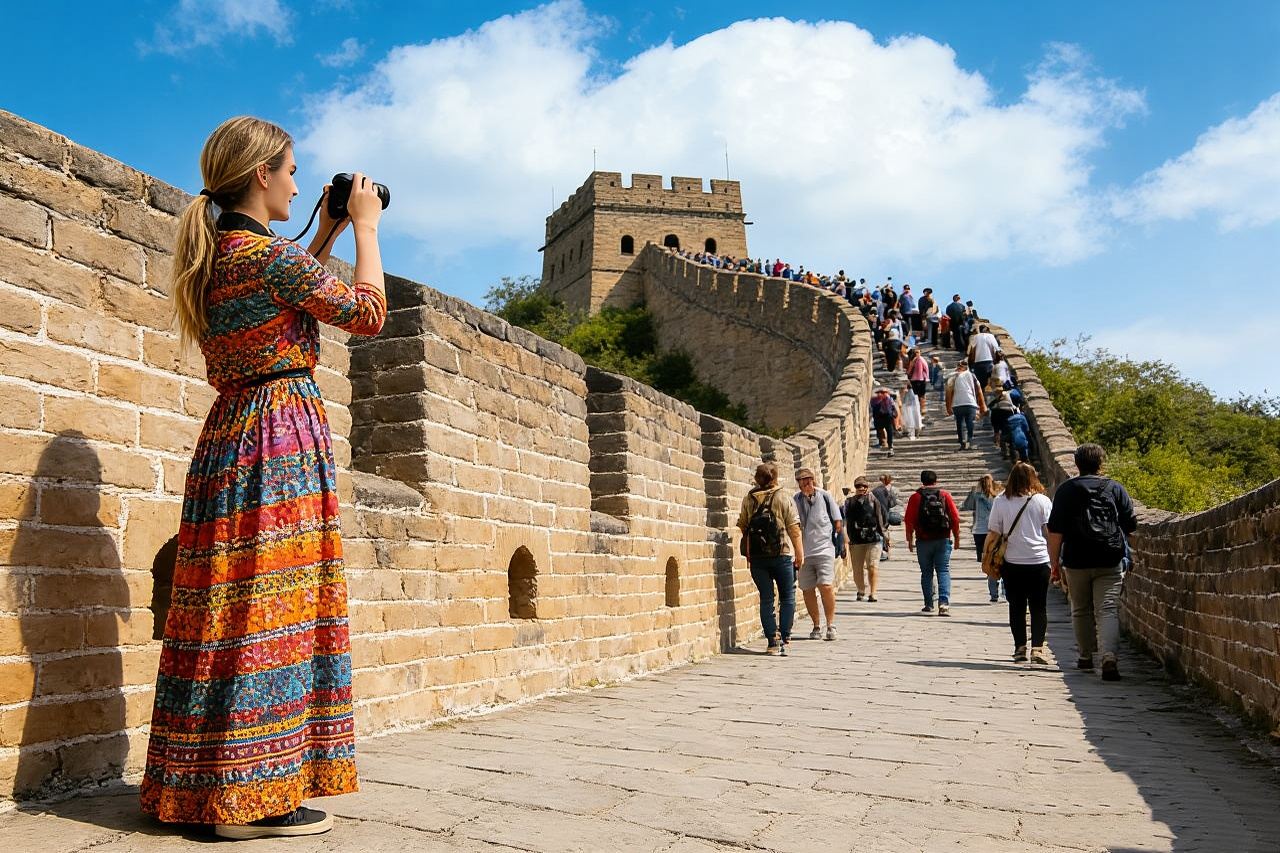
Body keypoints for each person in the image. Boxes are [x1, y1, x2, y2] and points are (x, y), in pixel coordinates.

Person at [144, 117, 388, 838]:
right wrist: (367, 229)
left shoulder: (220, 251)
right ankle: (254, 799)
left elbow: (285, 287)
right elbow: (367, 314)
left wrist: (327, 234)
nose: (293, 183)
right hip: (279, 437)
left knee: (224, 608)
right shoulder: (268, 258)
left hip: (229, 436)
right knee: (275, 609)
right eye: (287, 170)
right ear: (261, 175)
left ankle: (203, 790)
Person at [1047, 444, 1139, 680]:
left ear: (1077, 465)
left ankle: (1086, 656)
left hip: (1076, 558)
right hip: (1109, 557)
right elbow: (1130, 525)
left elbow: (1055, 531)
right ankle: (1109, 655)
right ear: (1101, 463)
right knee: (1107, 609)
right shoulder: (1114, 488)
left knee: (1080, 608)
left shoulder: (1066, 490)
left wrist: (1054, 563)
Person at [987, 463, 1054, 664]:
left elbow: (994, 532)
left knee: (1016, 606)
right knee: (1039, 607)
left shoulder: (1000, 501)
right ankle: (1038, 650)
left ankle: (1020, 648)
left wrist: (988, 559)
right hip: (1039, 561)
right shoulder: (1042, 501)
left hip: (1012, 562)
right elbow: (1049, 533)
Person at [737, 462, 805, 656]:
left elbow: (742, 525)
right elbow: (794, 528)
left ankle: (772, 642)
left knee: (766, 598)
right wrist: (800, 554)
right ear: (775, 478)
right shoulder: (783, 497)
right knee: (787, 597)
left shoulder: (749, 498)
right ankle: (784, 636)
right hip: (781, 554)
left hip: (758, 558)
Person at [793, 468, 843, 641]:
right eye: (802, 481)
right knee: (807, 589)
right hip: (804, 552)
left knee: (826, 586)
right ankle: (816, 625)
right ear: (798, 483)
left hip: (824, 549)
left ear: (813, 480)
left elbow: (838, 522)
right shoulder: (795, 500)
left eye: (809, 480)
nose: (806, 483)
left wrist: (840, 543)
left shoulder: (825, 496)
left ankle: (830, 624)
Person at [904, 470, 961, 615]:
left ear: (922, 481)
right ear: (936, 480)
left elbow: (909, 521)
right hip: (942, 538)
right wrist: (956, 538)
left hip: (923, 540)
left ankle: (929, 604)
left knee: (926, 572)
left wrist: (909, 540)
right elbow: (954, 518)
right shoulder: (944, 495)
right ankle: (944, 603)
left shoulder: (915, 497)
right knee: (943, 570)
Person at [844, 477, 887, 602]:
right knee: (857, 568)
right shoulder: (849, 502)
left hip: (873, 538)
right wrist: (846, 538)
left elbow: (880, 518)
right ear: (855, 488)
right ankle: (861, 590)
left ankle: (873, 593)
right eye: (858, 486)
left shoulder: (874, 500)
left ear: (867, 487)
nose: (861, 489)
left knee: (873, 566)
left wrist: (884, 536)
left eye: (863, 486)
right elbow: (845, 521)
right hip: (856, 540)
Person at [961, 475, 1002, 602]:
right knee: (997, 559)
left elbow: (965, 506)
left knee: (986, 559)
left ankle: (993, 591)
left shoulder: (976, 495)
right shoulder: (998, 497)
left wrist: (972, 492)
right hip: (994, 531)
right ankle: (998, 587)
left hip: (979, 530)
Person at [945, 361, 987, 450]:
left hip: (957, 404)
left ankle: (962, 442)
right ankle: (970, 440)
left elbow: (948, 393)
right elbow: (979, 391)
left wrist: (948, 407)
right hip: (970, 402)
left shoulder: (952, 376)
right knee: (969, 422)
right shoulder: (972, 376)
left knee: (959, 424)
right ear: (966, 367)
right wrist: (982, 405)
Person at [967, 324, 1001, 389]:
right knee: (991, 385)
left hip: (978, 363)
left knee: (980, 385)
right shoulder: (991, 336)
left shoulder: (975, 337)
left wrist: (970, 365)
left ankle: (981, 397)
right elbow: (997, 350)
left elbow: (971, 351)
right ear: (987, 330)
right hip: (989, 362)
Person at [870, 386, 898, 456]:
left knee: (888, 431)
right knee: (884, 430)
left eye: (883, 393)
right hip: (881, 418)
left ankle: (888, 445)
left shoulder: (886, 399)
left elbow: (893, 408)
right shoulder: (876, 400)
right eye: (880, 393)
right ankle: (885, 443)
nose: (881, 394)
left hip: (885, 418)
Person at [906, 347, 931, 417]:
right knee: (916, 395)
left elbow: (926, 369)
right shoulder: (913, 360)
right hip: (914, 380)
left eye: (918, 352)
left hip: (921, 379)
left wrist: (926, 378)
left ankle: (922, 409)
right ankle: (918, 409)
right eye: (915, 352)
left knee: (921, 395)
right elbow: (910, 370)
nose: (917, 354)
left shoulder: (921, 360)